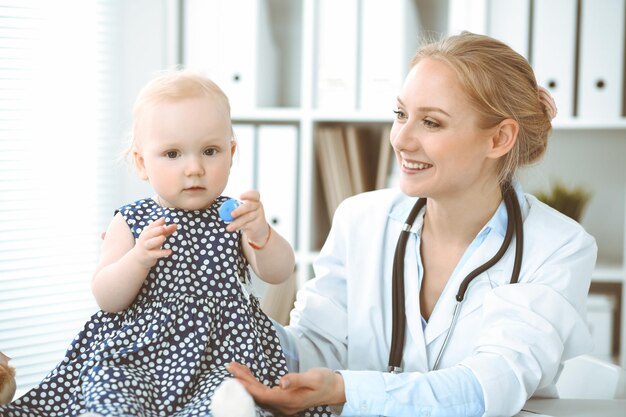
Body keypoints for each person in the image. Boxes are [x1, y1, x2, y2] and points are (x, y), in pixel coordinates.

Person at [228, 32, 597, 417]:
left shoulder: (559, 246)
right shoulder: (360, 220)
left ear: (499, 138)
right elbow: (313, 350)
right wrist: (228, 313)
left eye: (431, 123)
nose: (401, 139)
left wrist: (345, 389)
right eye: (401, 114)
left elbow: (489, 387)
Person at [0, 70, 309, 417]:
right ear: (141, 163)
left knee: (229, 387)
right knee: (110, 380)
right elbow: (107, 297)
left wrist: (261, 235)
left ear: (231, 152)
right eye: (173, 154)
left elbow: (279, 272)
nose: (194, 168)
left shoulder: (234, 216)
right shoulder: (131, 220)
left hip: (219, 352)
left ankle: (226, 408)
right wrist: (137, 260)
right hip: (137, 353)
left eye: (210, 151)